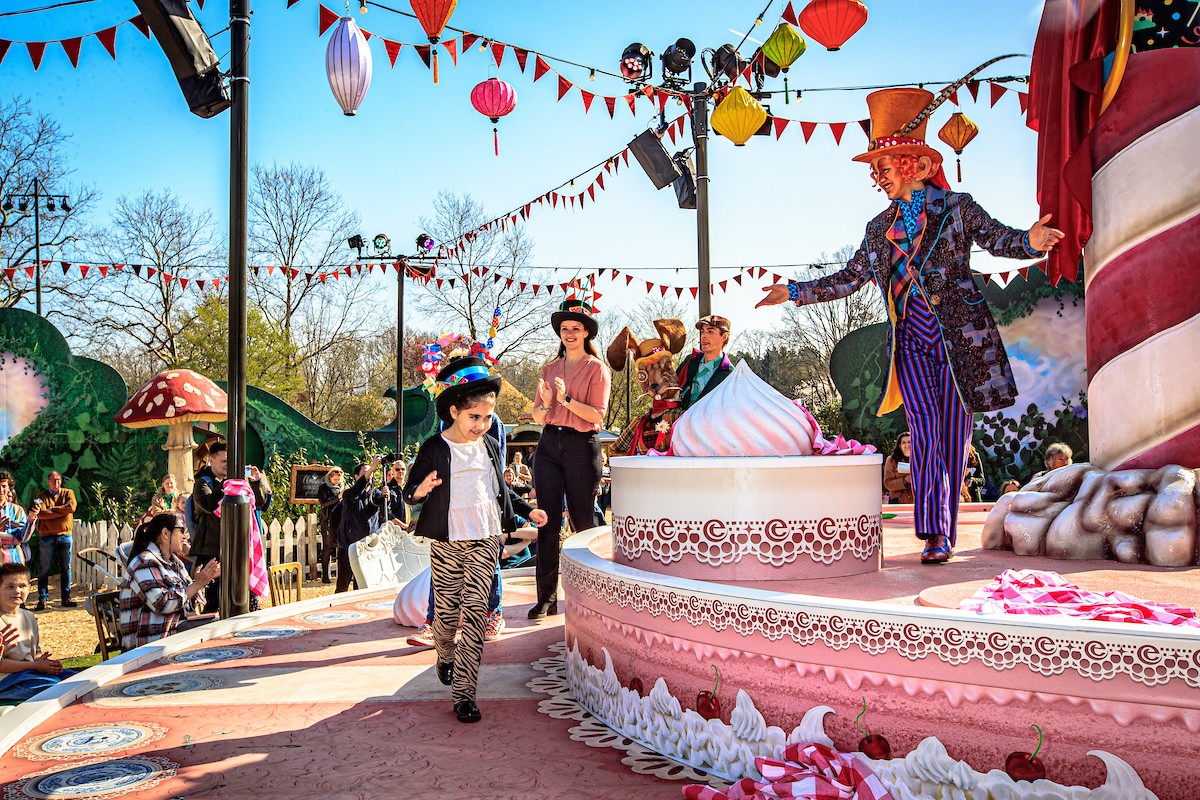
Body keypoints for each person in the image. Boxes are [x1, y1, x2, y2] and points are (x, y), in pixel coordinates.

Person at [758, 87, 1063, 565]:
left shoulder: (957, 208)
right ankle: (935, 534)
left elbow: (999, 238)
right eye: (875, 169)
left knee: (954, 439)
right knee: (923, 430)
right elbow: (850, 278)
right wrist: (795, 291)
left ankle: (942, 528)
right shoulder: (877, 229)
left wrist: (1031, 241)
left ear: (916, 165)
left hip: (961, 343)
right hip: (911, 344)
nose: (878, 176)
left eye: (885, 166)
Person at [403, 356, 548, 723]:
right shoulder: (435, 448)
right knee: (446, 618)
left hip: (485, 538)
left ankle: (464, 693)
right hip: (448, 541)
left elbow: (500, 490)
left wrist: (527, 511)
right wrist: (420, 490)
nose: (482, 425)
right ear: (453, 411)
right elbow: (409, 491)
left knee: (475, 615)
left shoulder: (490, 446)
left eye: (488, 418)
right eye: (474, 417)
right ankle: (444, 653)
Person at [529, 298, 611, 619]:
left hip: (581, 446)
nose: (570, 333)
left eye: (576, 328)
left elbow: (596, 415)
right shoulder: (549, 369)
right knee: (547, 522)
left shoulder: (597, 368)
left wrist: (565, 399)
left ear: (586, 332)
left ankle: (594, 595)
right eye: (565, 328)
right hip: (549, 445)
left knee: (582, 521)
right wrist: (549, 402)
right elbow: (538, 416)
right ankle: (546, 598)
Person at [118, 513, 220, 650]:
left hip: (170, 633)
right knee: (217, 627)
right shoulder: (145, 562)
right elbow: (164, 604)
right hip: (148, 645)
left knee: (221, 624)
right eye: (181, 530)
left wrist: (202, 580)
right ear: (165, 533)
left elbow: (184, 598)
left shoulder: (174, 562)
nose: (185, 536)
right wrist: (197, 584)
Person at [0, 562, 75, 702]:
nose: (17, 591)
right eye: (10, 587)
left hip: (29, 671)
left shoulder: (29, 617)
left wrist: (45, 663)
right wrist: (34, 665)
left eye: (22, 586)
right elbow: (1, 664)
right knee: (54, 688)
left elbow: (35, 652)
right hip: (7, 679)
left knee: (76, 679)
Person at [335, 458, 386, 593]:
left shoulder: (375, 494)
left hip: (367, 547)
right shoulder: (349, 494)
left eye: (371, 473)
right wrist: (373, 466)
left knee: (363, 585)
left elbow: (380, 507)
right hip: (348, 545)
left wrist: (386, 496)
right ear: (356, 476)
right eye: (365, 472)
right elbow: (358, 489)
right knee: (343, 584)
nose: (370, 475)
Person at [190, 443, 227, 612]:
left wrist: (258, 482)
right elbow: (209, 505)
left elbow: (260, 504)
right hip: (210, 548)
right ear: (211, 460)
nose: (228, 465)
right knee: (213, 599)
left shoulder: (231, 483)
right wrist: (226, 484)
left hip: (228, 545)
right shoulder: (202, 483)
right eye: (224, 461)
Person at [34, 471, 77, 609]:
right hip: (47, 536)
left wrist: (51, 510)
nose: (56, 482)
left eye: (58, 480)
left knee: (66, 567)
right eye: (53, 480)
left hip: (65, 535)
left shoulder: (68, 493)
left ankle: (66, 598)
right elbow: (41, 513)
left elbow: (72, 507)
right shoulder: (41, 496)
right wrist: (62, 511)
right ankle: (43, 599)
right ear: (47, 481)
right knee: (44, 568)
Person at [676, 314, 734, 411]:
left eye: (710, 331)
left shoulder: (730, 375)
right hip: (682, 419)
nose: (703, 336)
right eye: (702, 331)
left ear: (724, 337)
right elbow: (672, 386)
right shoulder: (691, 361)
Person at [317, 467, 345, 584]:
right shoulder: (323, 488)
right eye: (335, 480)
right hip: (328, 519)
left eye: (339, 480)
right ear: (330, 478)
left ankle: (341, 575)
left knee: (341, 547)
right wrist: (338, 497)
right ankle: (325, 575)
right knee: (327, 546)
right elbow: (324, 502)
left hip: (341, 519)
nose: (337, 482)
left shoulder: (344, 487)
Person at [0, 471, 34, 566]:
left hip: (15, 560)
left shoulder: (17, 510)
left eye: (4, 486)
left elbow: (23, 538)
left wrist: (31, 519)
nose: (1, 490)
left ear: (9, 488)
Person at [883, 432, 914, 504]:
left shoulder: (921, 460)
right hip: (898, 501)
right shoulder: (891, 460)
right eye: (904, 443)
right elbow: (888, 484)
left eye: (909, 442)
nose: (907, 445)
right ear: (900, 446)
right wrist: (905, 481)